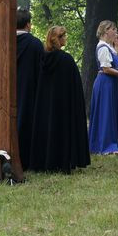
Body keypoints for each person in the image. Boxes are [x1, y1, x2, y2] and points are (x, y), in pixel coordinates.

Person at [28, 26, 91, 173]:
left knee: (46, 129)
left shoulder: (42, 59)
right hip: (63, 105)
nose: (66, 39)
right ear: (59, 38)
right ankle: (62, 162)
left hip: (45, 105)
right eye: (64, 36)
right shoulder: (66, 60)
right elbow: (74, 86)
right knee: (61, 131)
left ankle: (44, 162)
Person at [0, 8, 45, 171]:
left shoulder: (4, 42)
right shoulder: (34, 44)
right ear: (28, 24)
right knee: (26, 123)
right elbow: (41, 71)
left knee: (2, 123)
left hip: (5, 92)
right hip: (28, 93)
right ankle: (25, 160)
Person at [89, 20, 118, 155]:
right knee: (106, 113)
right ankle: (105, 146)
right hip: (105, 83)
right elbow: (105, 68)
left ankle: (113, 143)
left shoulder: (109, 47)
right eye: (113, 29)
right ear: (106, 31)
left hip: (111, 83)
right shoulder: (103, 47)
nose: (116, 32)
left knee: (111, 112)